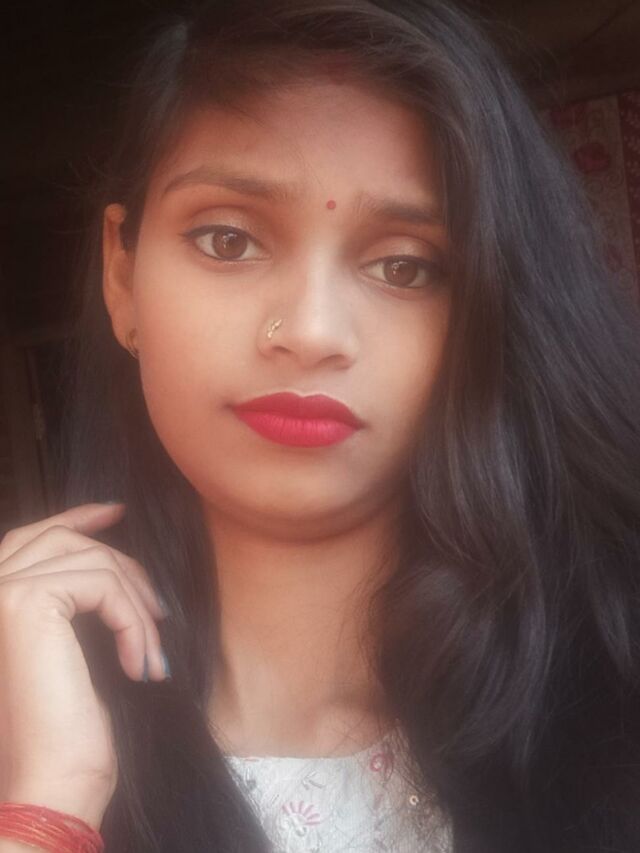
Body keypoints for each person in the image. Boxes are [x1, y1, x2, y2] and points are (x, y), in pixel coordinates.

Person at [1, 0, 640, 850]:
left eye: (404, 265)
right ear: (122, 277)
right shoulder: (25, 712)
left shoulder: (613, 697)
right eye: (228, 241)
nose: (309, 330)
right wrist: (48, 807)